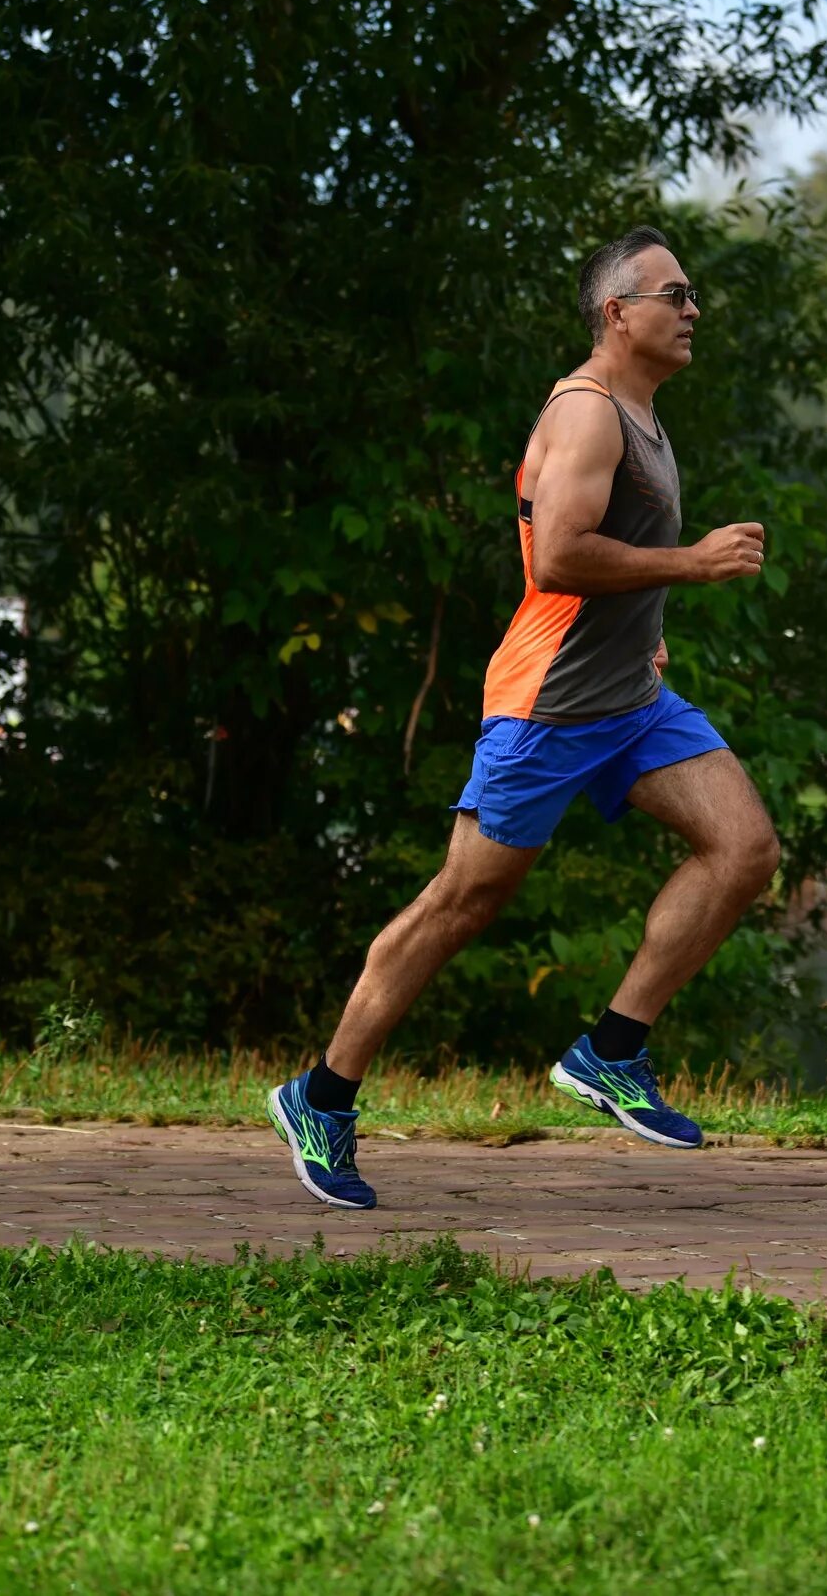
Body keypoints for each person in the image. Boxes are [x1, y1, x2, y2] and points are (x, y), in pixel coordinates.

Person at [267, 225, 779, 1209]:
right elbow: (556, 557)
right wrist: (692, 565)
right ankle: (321, 1096)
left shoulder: (641, 411)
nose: (692, 310)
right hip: (546, 708)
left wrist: (650, 627)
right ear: (616, 313)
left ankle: (610, 1053)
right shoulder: (587, 415)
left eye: (693, 294)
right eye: (673, 294)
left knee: (744, 847)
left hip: (629, 701)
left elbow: (579, 557)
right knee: (463, 902)